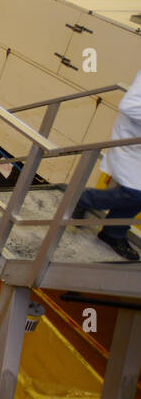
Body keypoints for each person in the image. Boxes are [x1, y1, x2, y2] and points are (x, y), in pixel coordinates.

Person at [73, 69, 141, 261]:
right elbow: (130, 106)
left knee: (137, 193)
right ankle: (84, 199)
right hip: (131, 141)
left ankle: (113, 233)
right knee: (135, 193)